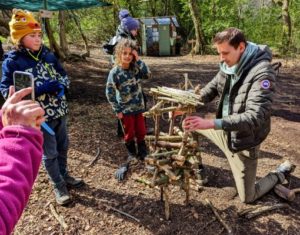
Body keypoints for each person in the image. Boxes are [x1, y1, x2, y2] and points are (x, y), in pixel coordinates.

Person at [182, 27, 295, 203]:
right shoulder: (228, 65)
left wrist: (211, 123)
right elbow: (209, 90)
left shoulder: (263, 73)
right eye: (219, 53)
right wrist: (186, 103)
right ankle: (199, 171)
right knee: (192, 127)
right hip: (224, 132)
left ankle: (279, 174)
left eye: (225, 53)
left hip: (244, 141)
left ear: (241, 47)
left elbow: (255, 116)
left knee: (248, 198)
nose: (221, 59)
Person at [0, 9, 83, 206]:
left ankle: (64, 175)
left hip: (59, 111)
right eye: (32, 36)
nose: (37, 39)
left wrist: (63, 86)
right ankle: (58, 185)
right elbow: (6, 91)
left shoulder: (48, 55)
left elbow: (63, 74)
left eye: (39, 35)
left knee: (63, 146)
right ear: (20, 38)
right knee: (50, 152)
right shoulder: (12, 61)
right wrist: (40, 89)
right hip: (38, 118)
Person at [0, 86, 44, 235]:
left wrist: (4, 121)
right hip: (26, 122)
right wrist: (19, 135)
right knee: (51, 155)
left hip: (29, 118)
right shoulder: (12, 63)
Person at [106, 39, 151, 181]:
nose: (127, 56)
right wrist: (117, 109)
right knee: (129, 133)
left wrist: (138, 60)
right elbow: (109, 92)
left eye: (130, 54)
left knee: (141, 130)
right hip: (125, 109)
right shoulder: (115, 72)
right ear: (119, 54)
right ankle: (131, 152)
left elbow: (148, 75)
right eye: (124, 53)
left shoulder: (135, 68)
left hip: (139, 107)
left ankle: (142, 151)